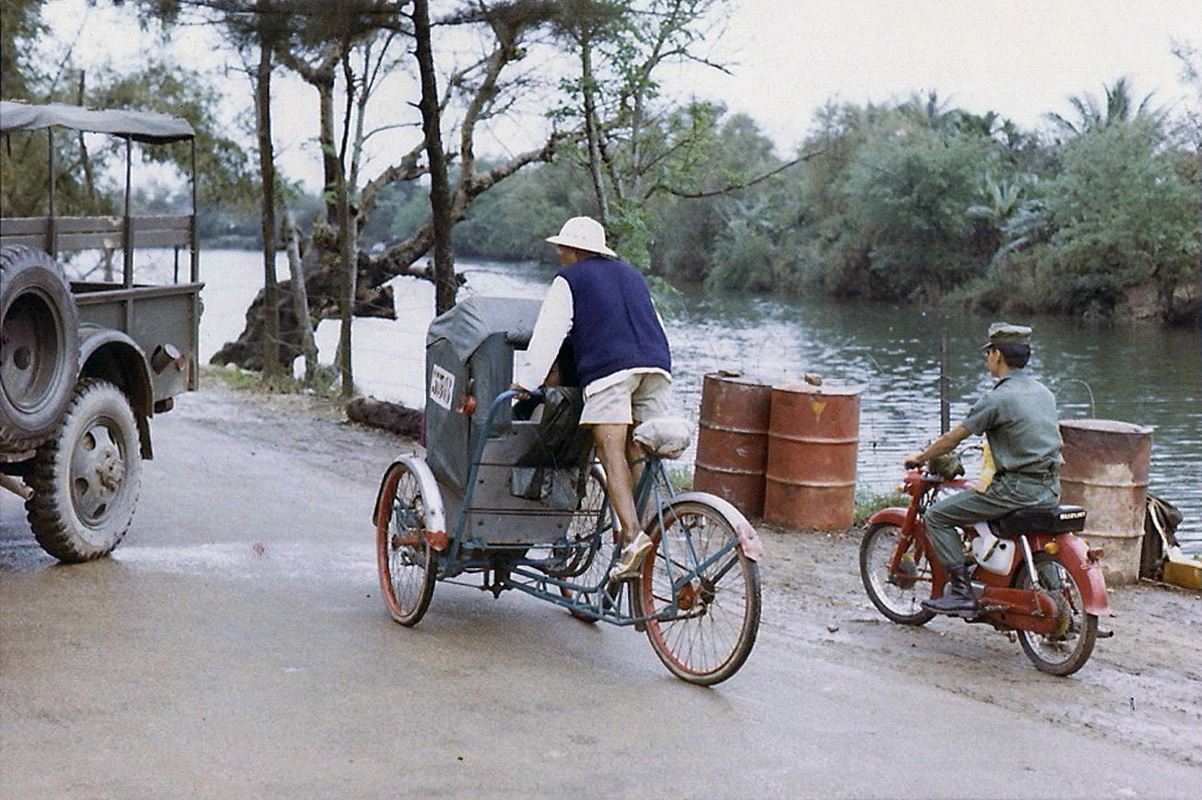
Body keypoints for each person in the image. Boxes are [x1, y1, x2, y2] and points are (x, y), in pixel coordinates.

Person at [512, 216, 672, 581]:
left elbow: (548, 334)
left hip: (612, 371)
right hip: (657, 366)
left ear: (575, 250)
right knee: (639, 451)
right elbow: (655, 324)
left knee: (609, 448)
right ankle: (648, 533)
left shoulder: (570, 279)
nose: (559, 254)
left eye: (562, 248)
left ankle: (632, 538)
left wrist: (526, 381)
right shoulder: (632, 275)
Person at [902, 323, 1062, 615]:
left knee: (937, 516)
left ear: (997, 354)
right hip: (1050, 487)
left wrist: (920, 457)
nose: (987, 358)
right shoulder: (1044, 393)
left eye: (988, 352)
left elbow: (953, 439)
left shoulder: (997, 398)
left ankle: (962, 591)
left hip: (1015, 490)